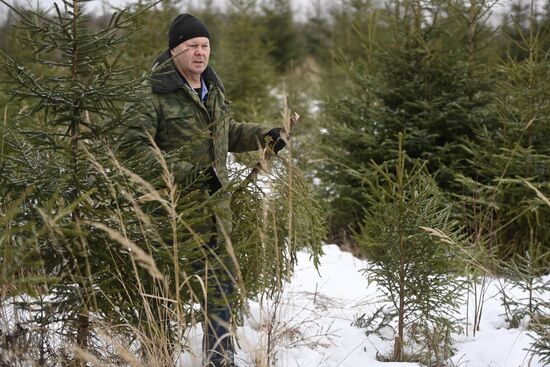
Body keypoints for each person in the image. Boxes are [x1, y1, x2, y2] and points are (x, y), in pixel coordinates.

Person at [118, 13, 286, 367]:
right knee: (162, 293)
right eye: (191, 45)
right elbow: (134, 149)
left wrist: (264, 134)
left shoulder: (213, 89)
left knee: (221, 294)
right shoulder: (152, 93)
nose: (199, 52)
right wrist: (189, 174)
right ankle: (156, 357)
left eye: (204, 45)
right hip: (170, 215)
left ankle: (220, 360)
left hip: (215, 214)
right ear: (174, 51)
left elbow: (227, 132)